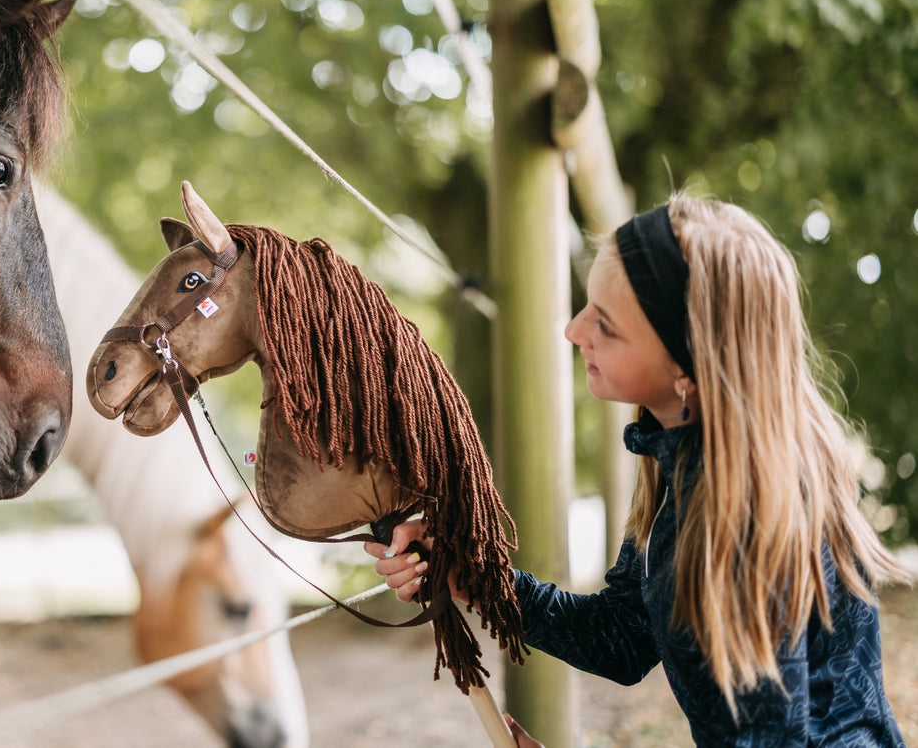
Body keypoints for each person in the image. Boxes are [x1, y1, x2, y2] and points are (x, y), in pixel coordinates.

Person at [367, 193, 910, 747]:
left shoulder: (738, 522)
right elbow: (622, 638)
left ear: (688, 369)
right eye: (586, 306)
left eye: (606, 325)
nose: (574, 330)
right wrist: (474, 577)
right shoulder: (680, 460)